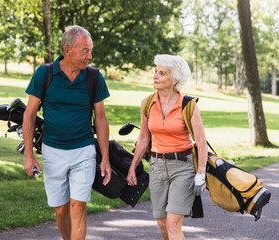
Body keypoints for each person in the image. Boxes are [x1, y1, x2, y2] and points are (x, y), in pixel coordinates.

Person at [23, 25, 111, 240]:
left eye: (90, 51)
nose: (89, 56)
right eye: (85, 51)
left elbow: (100, 119)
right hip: (53, 151)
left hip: (84, 151)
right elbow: (30, 115)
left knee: (78, 206)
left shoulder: (93, 77)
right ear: (67, 50)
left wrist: (105, 158)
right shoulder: (45, 74)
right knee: (61, 209)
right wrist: (29, 155)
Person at [126, 54, 207, 240]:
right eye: (155, 71)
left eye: (162, 73)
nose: (155, 76)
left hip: (183, 167)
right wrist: (133, 167)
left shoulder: (188, 105)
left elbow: (201, 141)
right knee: (162, 224)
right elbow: (144, 139)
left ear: (175, 79)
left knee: (172, 225)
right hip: (157, 167)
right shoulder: (147, 103)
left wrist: (200, 172)